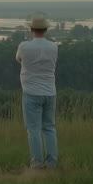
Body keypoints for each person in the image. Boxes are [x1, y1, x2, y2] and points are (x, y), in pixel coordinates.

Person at [15, 13, 59, 169]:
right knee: (49, 128)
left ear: (31, 29)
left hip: (31, 93)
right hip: (50, 92)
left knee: (33, 130)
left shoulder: (24, 46)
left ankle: (37, 164)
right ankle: (52, 163)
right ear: (46, 29)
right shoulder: (54, 47)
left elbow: (18, 59)